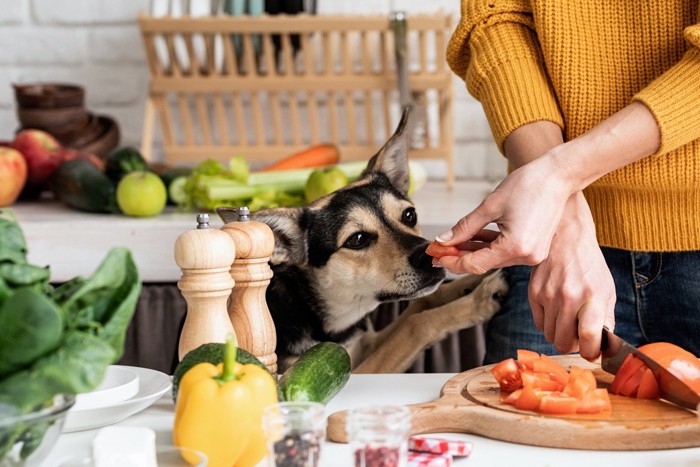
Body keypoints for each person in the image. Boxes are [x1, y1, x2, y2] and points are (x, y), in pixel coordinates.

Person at [439, 0, 700, 364]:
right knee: (511, 416)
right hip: (554, 243)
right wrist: (563, 216)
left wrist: (558, 178)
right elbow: (495, 18)